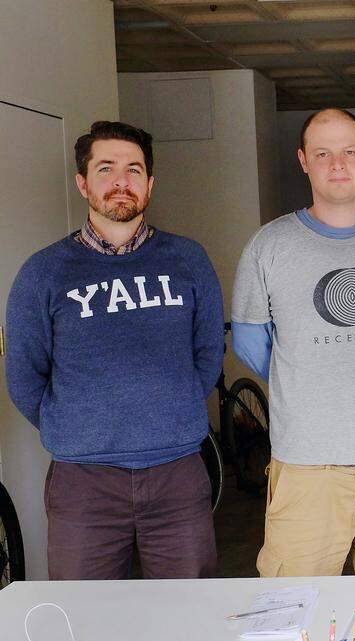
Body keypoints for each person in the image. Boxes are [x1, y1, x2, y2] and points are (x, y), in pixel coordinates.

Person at [5, 120, 224, 579]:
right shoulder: (44, 272)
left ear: (150, 184)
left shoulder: (188, 260)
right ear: (83, 182)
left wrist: (171, 409)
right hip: (84, 482)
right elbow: (24, 375)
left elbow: (206, 356)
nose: (121, 181)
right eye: (106, 169)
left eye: (134, 169)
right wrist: (76, 425)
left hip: (177, 474)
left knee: (189, 615)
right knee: (86, 619)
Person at [231, 108, 355, 577]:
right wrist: (310, 378)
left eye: (347, 151)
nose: (337, 164)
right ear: (304, 160)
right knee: (295, 608)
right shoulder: (270, 244)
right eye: (323, 154)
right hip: (306, 468)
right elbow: (250, 344)